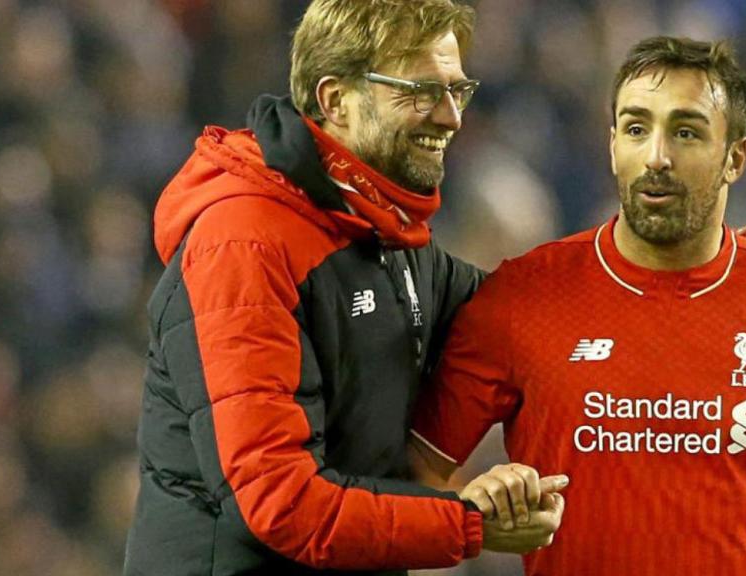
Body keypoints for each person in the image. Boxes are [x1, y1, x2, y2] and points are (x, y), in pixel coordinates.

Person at [409, 36, 746, 575]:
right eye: (636, 128)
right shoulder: (522, 295)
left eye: (686, 132)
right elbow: (408, 483)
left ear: (735, 156)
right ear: (612, 144)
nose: (657, 158)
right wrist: (474, 515)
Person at [123, 1, 567, 575]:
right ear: (336, 100)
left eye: (458, 90)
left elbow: (527, 318)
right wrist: (467, 522)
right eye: (420, 90)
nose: (451, 116)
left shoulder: (383, 229)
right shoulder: (244, 242)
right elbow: (279, 502)